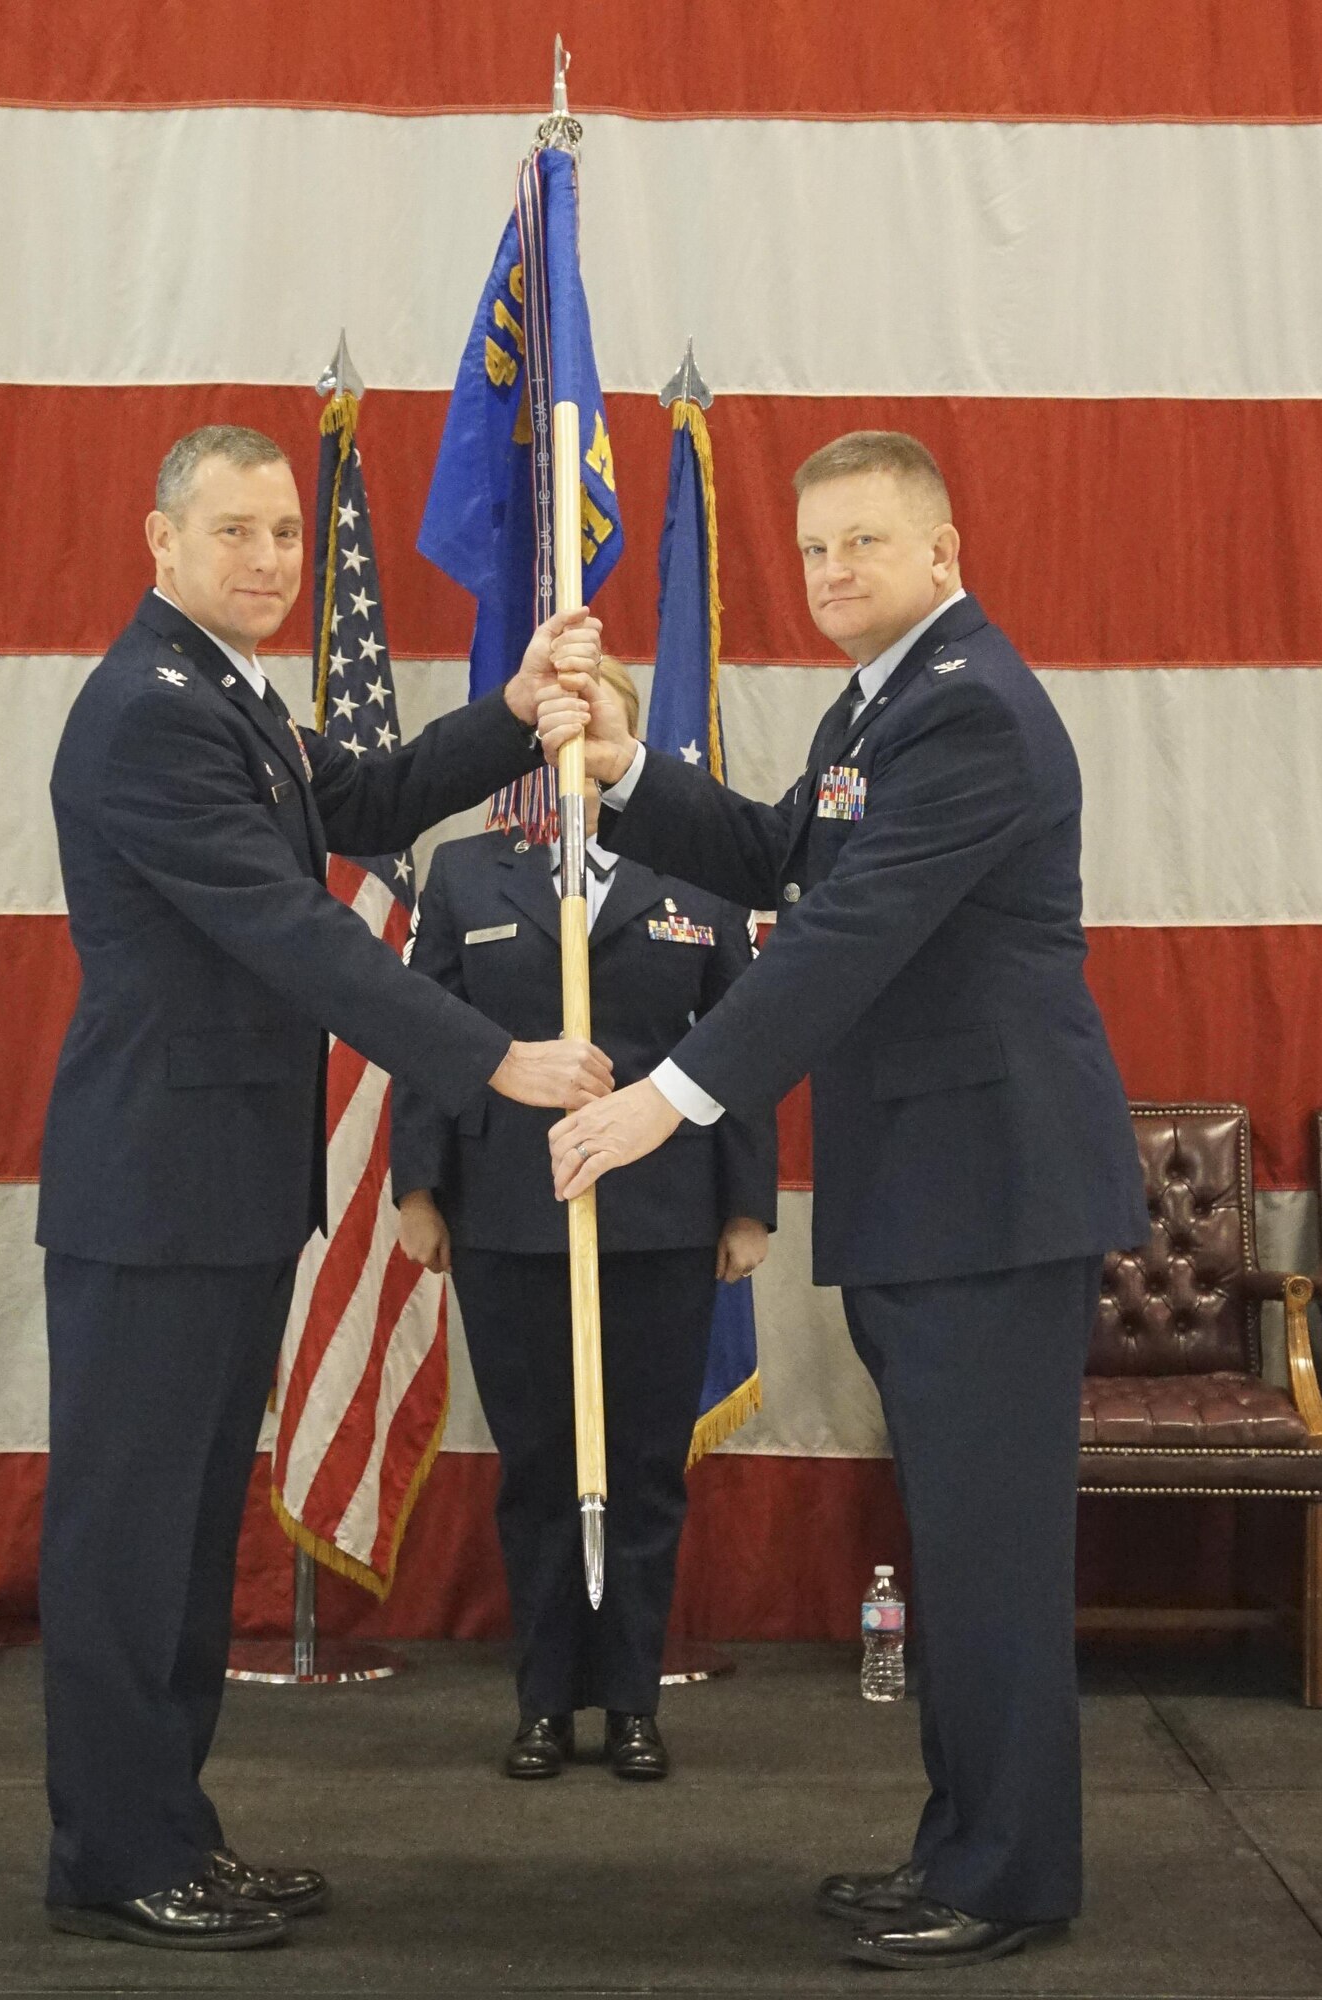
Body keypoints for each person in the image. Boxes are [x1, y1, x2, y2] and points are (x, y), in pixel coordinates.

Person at [538, 432, 1148, 1971]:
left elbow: (844, 933)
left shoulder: (974, 715)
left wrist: (663, 1101)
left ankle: (1006, 1878)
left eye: (863, 545)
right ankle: (962, 1842)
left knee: (991, 1555)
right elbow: (782, 856)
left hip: (989, 1198)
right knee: (955, 1541)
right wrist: (624, 772)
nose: (832, 576)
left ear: (943, 550)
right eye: (813, 551)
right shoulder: (885, 702)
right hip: (930, 1196)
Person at [36, 424, 613, 1953]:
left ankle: (168, 1827)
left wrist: (508, 708)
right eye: (234, 533)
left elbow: (364, 800)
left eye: (286, 534)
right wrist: (492, 1060)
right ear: (159, 544)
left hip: (214, 1191)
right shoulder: (149, 714)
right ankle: (113, 1850)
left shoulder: (233, 698)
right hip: (153, 1194)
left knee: (179, 1539)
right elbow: (298, 935)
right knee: (129, 1544)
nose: (270, 560)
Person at [391, 655, 775, 1785]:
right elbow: (426, 1033)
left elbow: (741, 1038)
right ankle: (545, 1700)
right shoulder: (465, 873)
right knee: (537, 1466)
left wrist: (744, 1203)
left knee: (645, 1465)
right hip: (508, 1212)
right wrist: (419, 1187)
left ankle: (635, 1701)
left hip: (660, 1216)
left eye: (592, 711)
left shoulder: (695, 874)